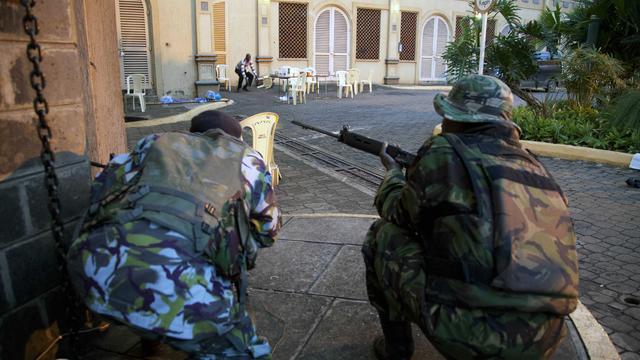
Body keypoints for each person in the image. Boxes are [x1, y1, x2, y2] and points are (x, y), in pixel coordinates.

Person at [362, 75, 579, 359]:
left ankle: (397, 350)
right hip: (543, 339)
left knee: (383, 235)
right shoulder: (535, 167)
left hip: (475, 337)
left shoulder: (443, 151)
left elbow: (396, 211)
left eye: (447, 116)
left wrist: (392, 173)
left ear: (459, 119)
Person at [67, 110, 281, 359]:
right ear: (236, 139)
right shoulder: (248, 158)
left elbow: (102, 190)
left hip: (92, 270)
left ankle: (151, 337)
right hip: (182, 289)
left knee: (148, 235)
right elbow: (269, 229)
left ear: (193, 133)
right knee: (246, 352)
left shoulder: (154, 142)